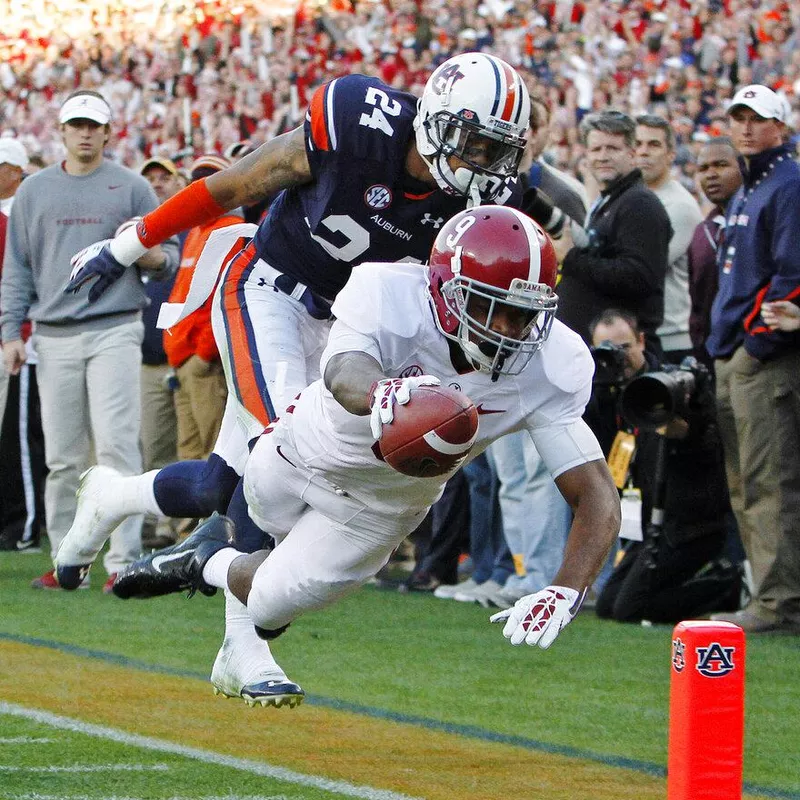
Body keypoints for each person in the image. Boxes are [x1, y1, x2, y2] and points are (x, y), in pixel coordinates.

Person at [54, 54, 531, 696]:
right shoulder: (360, 121)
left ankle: (113, 496)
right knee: (281, 453)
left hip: (347, 336)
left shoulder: (479, 199)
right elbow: (240, 182)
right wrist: (130, 243)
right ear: (438, 123)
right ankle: (241, 648)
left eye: (496, 151)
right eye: (474, 144)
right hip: (269, 291)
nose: (483, 165)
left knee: (222, 484)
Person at [111, 206, 621, 704]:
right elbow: (342, 370)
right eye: (494, 307)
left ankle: (203, 560)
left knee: (269, 607)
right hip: (303, 453)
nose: (510, 329)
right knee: (245, 501)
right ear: (444, 291)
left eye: (525, 313)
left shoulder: (556, 360)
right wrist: (384, 393)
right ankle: (165, 541)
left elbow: (595, 492)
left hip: (383, 507)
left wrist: (566, 589)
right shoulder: (387, 291)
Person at [0, 89, 180, 591]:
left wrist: (142, 253)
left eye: (92, 125)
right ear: (61, 131)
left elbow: (166, 256)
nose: (84, 133)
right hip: (53, 334)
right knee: (61, 455)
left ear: (107, 132)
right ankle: (66, 560)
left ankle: (122, 561)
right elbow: (17, 267)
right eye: (75, 124)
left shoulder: (130, 188)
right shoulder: (34, 191)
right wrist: (10, 332)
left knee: (118, 447)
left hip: (113, 327)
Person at [706, 85, 800, 634]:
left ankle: (777, 602)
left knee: (770, 484)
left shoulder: (787, 184)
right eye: (738, 118)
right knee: (746, 484)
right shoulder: (752, 185)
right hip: (734, 350)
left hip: (762, 356)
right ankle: (768, 593)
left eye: (757, 119)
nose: (745, 127)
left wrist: (754, 346)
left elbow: (790, 277)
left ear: (779, 128)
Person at [590, 310, 741, 623]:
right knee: (608, 605)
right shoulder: (607, 396)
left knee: (630, 610)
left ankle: (729, 585)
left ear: (642, 340)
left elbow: (706, 436)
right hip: (650, 528)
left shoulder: (672, 385)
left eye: (625, 347)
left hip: (690, 526)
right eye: (608, 352)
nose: (620, 359)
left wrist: (684, 431)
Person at [552, 110, 671, 358]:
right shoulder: (613, 201)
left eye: (612, 148)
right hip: (600, 353)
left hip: (621, 356)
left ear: (631, 152)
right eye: (596, 150)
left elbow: (637, 277)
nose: (603, 157)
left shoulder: (639, 204)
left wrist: (571, 257)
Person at [164, 154, 241, 462]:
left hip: (202, 361)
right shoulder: (194, 232)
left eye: (211, 180)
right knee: (189, 449)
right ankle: (187, 514)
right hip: (182, 358)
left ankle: (214, 512)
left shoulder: (233, 229)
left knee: (213, 451)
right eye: (198, 180)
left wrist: (204, 354)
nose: (203, 187)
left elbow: (225, 297)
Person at [138, 156, 184, 548]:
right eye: (150, 178)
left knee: (188, 444)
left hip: (185, 356)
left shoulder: (188, 232)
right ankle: (157, 523)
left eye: (163, 178)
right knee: (152, 446)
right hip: (147, 359)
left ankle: (179, 527)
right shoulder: (133, 234)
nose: (157, 184)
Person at [635, 114, 704, 363]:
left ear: (671, 154)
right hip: (642, 334)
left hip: (670, 338)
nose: (643, 152)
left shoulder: (680, 205)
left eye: (653, 145)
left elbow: (642, 267)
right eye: (638, 144)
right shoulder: (633, 198)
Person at [686, 138, 742, 365]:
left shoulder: (762, 222)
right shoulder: (702, 232)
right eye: (703, 168)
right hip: (712, 355)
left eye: (721, 165)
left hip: (756, 354)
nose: (711, 174)